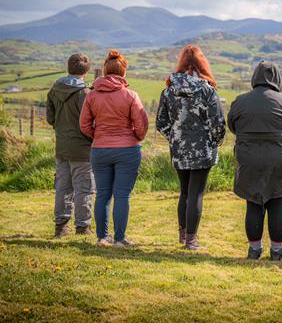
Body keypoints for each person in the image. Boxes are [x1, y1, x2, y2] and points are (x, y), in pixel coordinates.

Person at [227, 61, 282, 261]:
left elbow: (233, 126)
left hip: (249, 158)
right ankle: (277, 252)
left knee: (253, 204)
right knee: (278, 204)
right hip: (280, 158)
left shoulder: (240, 101)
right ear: (277, 79)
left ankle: (254, 250)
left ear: (254, 77)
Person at [156, 44, 226, 250]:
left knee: (184, 192)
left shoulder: (168, 90)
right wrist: (214, 141)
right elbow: (218, 124)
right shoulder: (207, 90)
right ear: (202, 64)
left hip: (178, 148)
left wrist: (175, 136)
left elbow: (161, 122)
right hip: (203, 149)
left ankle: (183, 234)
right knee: (196, 193)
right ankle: (192, 241)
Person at [80, 50, 148, 247]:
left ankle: (102, 237)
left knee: (102, 194)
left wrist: (99, 137)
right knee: (122, 195)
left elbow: (84, 125)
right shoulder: (130, 95)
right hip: (127, 150)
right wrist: (134, 137)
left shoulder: (92, 95)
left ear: (104, 71)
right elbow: (141, 126)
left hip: (100, 149)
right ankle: (119, 238)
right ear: (123, 72)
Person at [47, 53, 95, 237]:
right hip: (82, 148)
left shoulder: (55, 89)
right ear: (86, 71)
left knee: (63, 187)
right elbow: (90, 123)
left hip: (62, 145)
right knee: (84, 188)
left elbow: (50, 118)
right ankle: (82, 227)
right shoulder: (85, 93)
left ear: (68, 67)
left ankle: (61, 226)